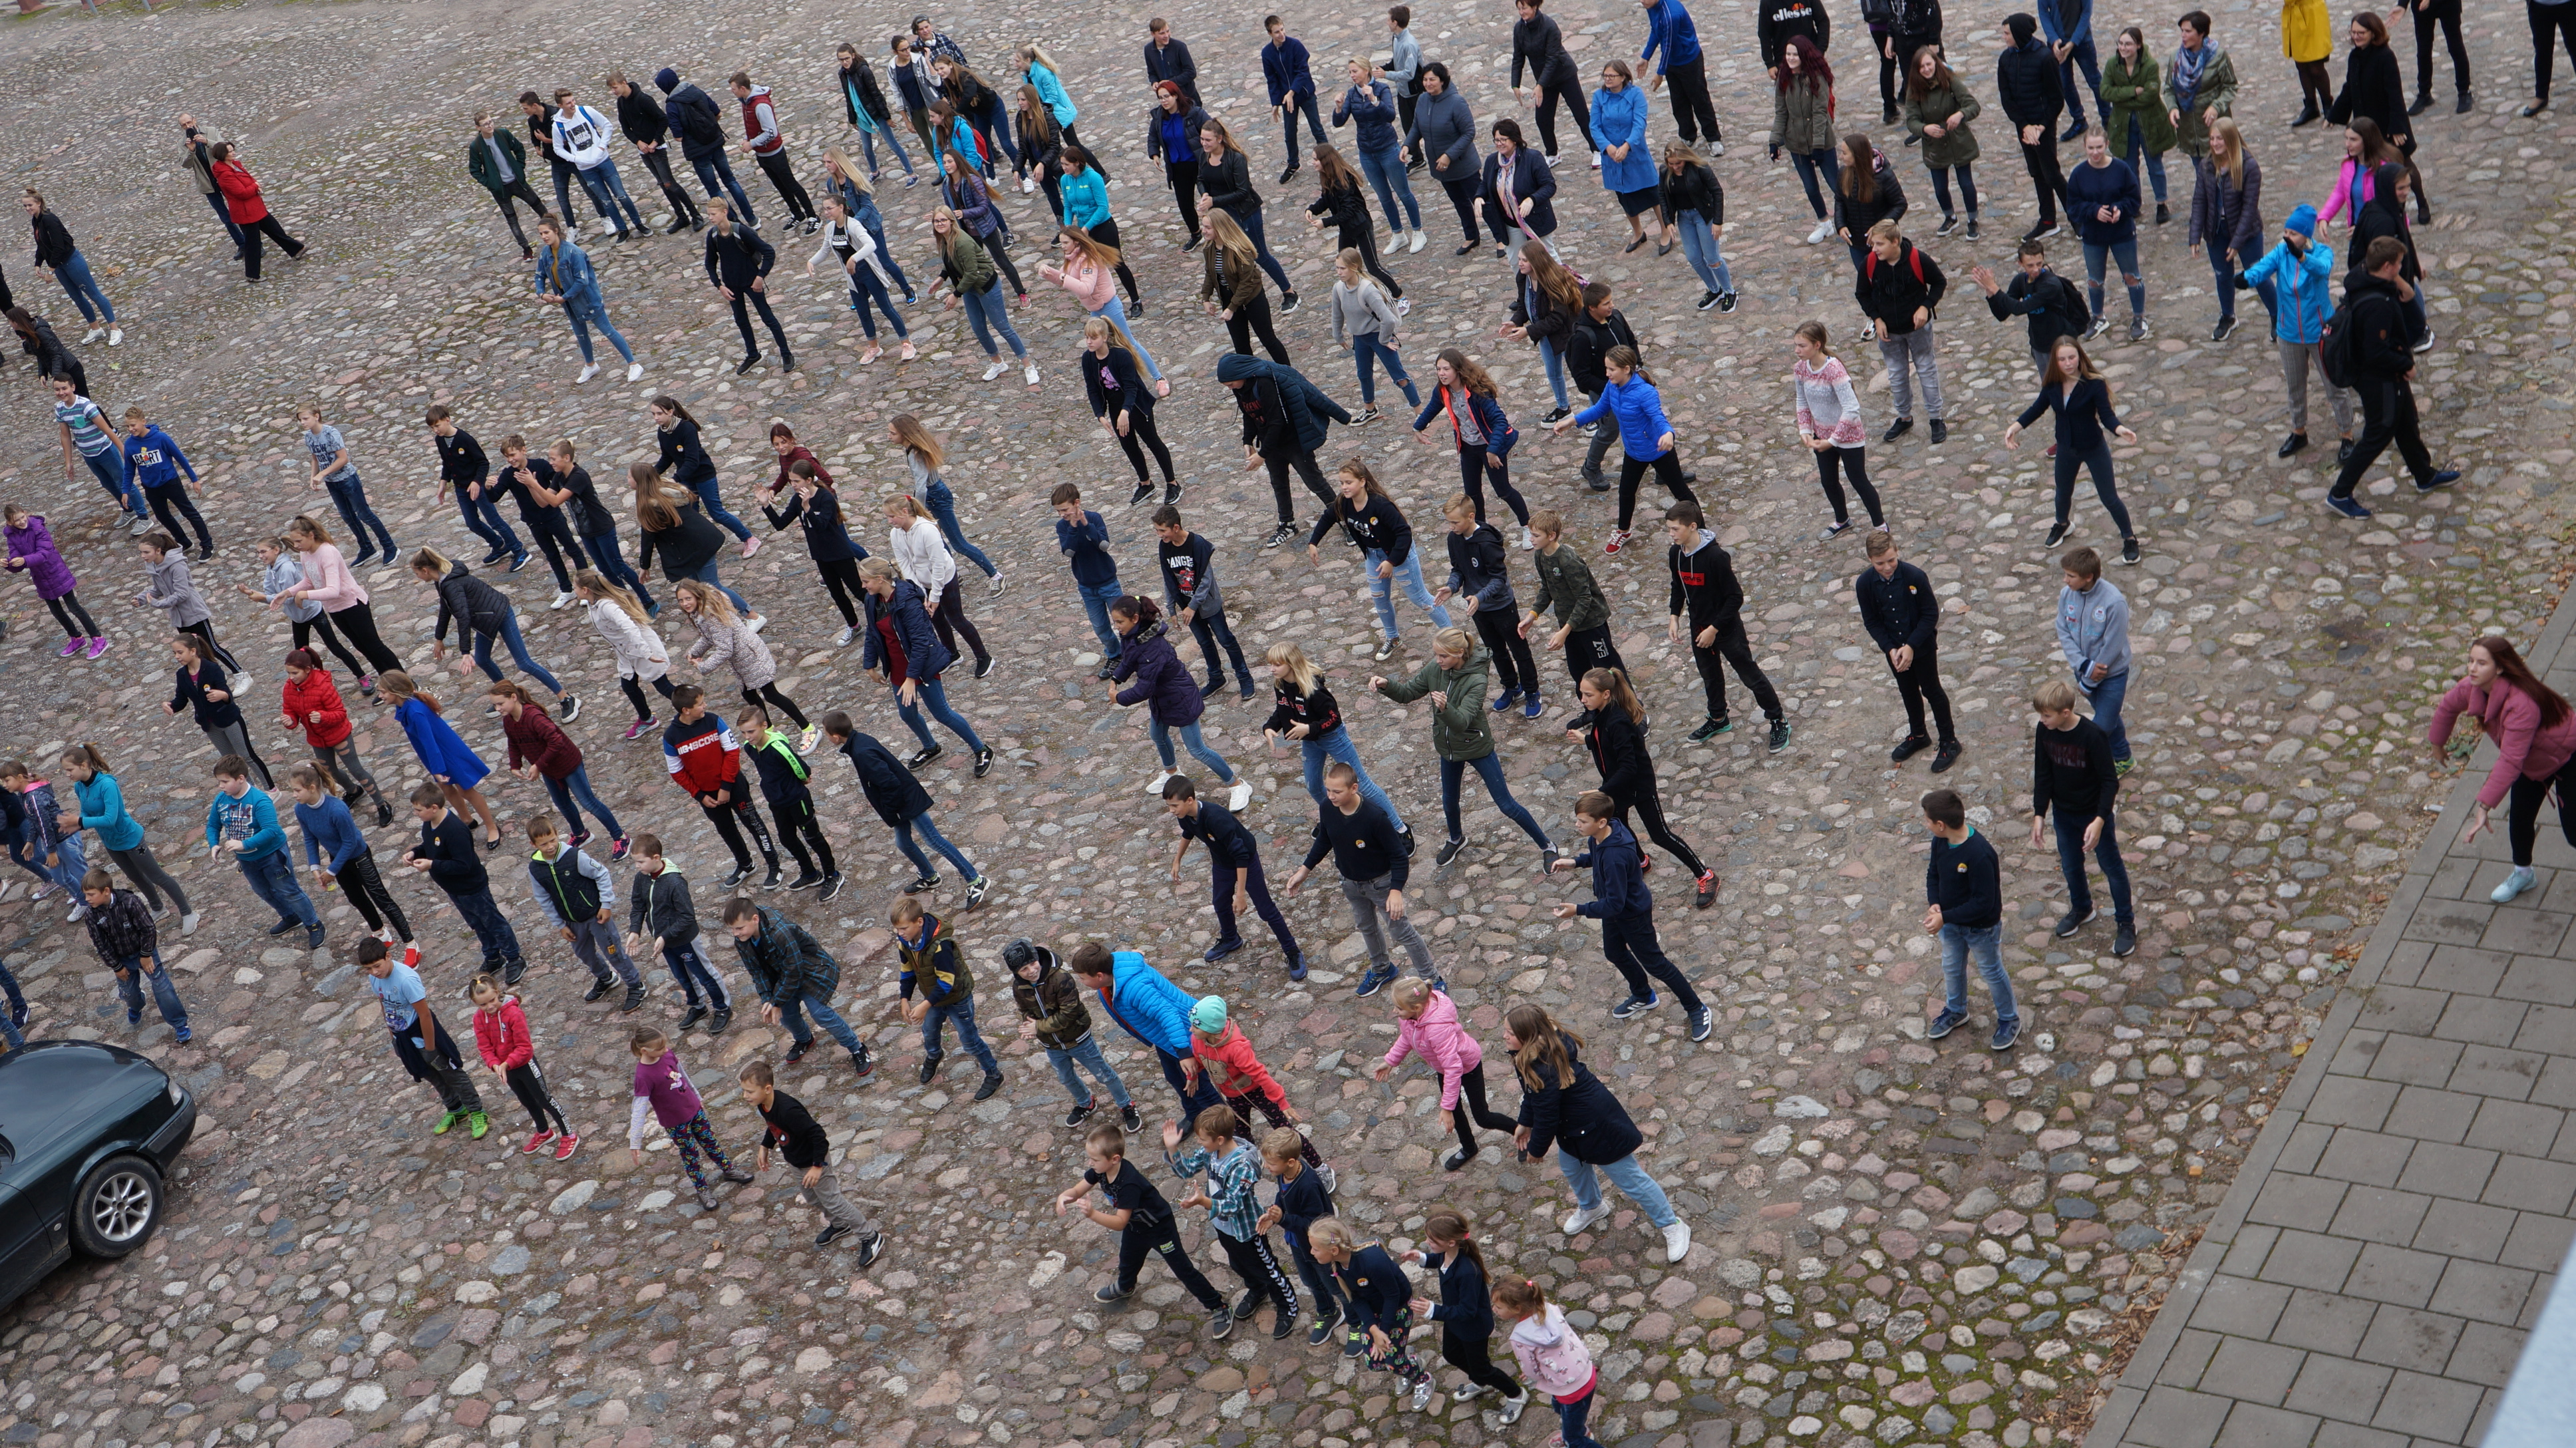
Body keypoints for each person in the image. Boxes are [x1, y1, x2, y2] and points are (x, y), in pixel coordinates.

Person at [1506, 1003, 1690, 1259]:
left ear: (1528, 1037)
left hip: (1600, 1130)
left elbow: (1547, 1116)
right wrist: (1524, 1123)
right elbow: (1533, 1096)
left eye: (1510, 1033)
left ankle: (1673, 1225)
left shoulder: (1543, 1068)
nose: (1505, 1037)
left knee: (1633, 1181)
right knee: (1573, 1168)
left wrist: (1536, 1149)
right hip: (1575, 1130)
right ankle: (1592, 1207)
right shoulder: (1530, 1056)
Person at [1375, 626, 1557, 871]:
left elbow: (1461, 721)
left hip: (1476, 746)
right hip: (1448, 748)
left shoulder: (1477, 679)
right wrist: (1386, 685)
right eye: (1436, 655)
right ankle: (1456, 839)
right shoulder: (1435, 668)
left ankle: (1547, 846)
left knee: (1506, 805)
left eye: (1444, 656)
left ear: (1460, 653)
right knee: (1449, 801)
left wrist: (1444, 708)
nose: (1438, 660)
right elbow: (1409, 693)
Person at [1547, 789, 1712, 1034]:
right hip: (1613, 911)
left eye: (1582, 821)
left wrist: (1579, 910)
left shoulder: (1616, 856)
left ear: (1600, 822)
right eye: (1578, 819)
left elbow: (1615, 902)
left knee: (1656, 964)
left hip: (1631, 914)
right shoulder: (1603, 833)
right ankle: (1643, 995)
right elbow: (1597, 856)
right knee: (1614, 952)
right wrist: (1575, 862)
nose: (1577, 825)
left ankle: (1697, 1008)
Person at [2434, 635, 2576, 902]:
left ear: (2499, 668)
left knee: (2574, 832)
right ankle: (2524, 875)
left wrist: (2484, 807)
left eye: (2481, 663)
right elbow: (2447, 707)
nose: (2472, 668)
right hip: (2533, 763)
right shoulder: (2472, 688)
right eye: (2470, 661)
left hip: (2569, 758)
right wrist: (2437, 744)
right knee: (2520, 818)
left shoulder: (2522, 704)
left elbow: (2511, 760)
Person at [1054, 1121, 1228, 1330]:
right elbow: (1079, 1189)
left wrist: (1092, 1213)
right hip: (1136, 1228)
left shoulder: (1129, 1183)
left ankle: (1218, 1306)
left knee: (1183, 1269)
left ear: (1115, 1159)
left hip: (1160, 1229)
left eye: (1094, 1159)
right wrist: (1064, 1197)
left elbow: (1119, 1223)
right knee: (1127, 1261)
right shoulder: (1100, 1170)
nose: (1090, 1163)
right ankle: (1126, 1287)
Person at [2326, 235, 2455, 510]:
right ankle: (2340, 493)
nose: (2401, 268)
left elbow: (2408, 298)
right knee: (2379, 433)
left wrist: (2397, 280)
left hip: (2385, 375)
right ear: (2386, 266)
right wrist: (2405, 365)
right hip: (2378, 378)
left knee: (2407, 421)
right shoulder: (2377, 305)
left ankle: (2424, 475)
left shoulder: (2366, 278)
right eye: (2398, 264)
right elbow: (2376, 352)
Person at [1574, 668, 1720, 907]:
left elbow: (1628, 767)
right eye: (1582, 694)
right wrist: (1587, 740)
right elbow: (1606, 742)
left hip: (1637, 786)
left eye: (1588, 695)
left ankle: (1706, 875)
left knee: (1660, 835)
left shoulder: (1618, 721)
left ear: (1606, 694)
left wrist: (1603, 791)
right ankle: (1641, 861)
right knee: (1620, 826)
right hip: (1617, 787)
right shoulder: (1601, 714)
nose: (1583, 700)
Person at [1163, 1106, 1302, 1340]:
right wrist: (1172, 1147)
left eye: (1202, 1139)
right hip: (1224, 1227)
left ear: (1219, 1139)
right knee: (1239, 1265)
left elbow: (1233, 1205)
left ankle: (1288, 1305)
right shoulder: (1211, 1151)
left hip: (1247, 1230)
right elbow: (1187, 1170)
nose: (1199, 1142)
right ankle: (1257, 1290)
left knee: (1267, 1269)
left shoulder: (1242, 1165)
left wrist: (1203, 1201)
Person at [1662, 500, 1790, 751]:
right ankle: (1718, 718)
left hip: (1726, 629)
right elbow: (1678, 587)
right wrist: (1674, 616)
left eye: (1675, 529)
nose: (1671, 534)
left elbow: (1735, 597)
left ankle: (1778, 719)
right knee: (1710, 677)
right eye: (1669, 529)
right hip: (1699, 628)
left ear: (1692, 526)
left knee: (1750, 676)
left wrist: (1714, 629)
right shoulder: (1675, 554)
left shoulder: (1716, 557)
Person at [1553, 345, 1698, 552]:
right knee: (1626, 492)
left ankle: (1699, 529)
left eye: (1611, 369)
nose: (1607, 373)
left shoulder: (1645, 393)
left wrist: (1669, 434)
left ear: (1627, 369)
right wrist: (1571, 421)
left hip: (1658, 450)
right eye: (1607, 368)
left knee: (1680, 491)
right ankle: (1624, 531)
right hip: (1634, 452)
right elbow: (1599, 409)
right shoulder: (1613, 387)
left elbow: (1659, 418)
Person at [2005, 339, 2143, 560]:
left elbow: (2106, 415)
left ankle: (2129, 538)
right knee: (2062, 492)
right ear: (2056, 362)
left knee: (2109, 498)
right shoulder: (2052, 385)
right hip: (2067, 448)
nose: (2068, 363)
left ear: (2080, 357)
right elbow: (2037, 408)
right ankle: (2062, 524)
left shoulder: (2093, 384)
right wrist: (2015, 427)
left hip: (2093, 447)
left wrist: (2120, 430)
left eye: (2072, 357)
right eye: (2062, 359)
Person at [858, 559, 995, 776]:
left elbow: (921, 643)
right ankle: (931, 747)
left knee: (943, 714)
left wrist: (912, 679)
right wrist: (870, 665)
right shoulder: (873, 600)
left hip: (922, 667)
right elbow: (872, 632)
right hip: (899, 667)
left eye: (866, 581)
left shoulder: (908, 602)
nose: (863, 586)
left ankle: (982, 749)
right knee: (908, 715)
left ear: (880, 579)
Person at [2030, 677, 2136, 953]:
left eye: (2046, 716)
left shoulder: (2093, 735)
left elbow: (2110, 781)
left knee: (2111, 868)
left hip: (2092, 815)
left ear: (2065, 713)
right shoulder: (2045, 732)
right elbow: (2043, 773)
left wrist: (2100, 821)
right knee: (2070, 864)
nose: (2042, 721)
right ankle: (2082, 908)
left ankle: (2126, 923)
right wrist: (2039, 813)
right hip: (2064, 814)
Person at [1112, 596, 1252, 805]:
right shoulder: (1134, 636)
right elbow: (1129, 660)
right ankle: (1172, 771)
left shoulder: (1152, 648)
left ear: (1134, 618)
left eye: (1119, 622)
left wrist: (1119, 698)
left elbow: (1144, 688)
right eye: (1115, 622)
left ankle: (1237, 784)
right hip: (1162, 699)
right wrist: (1116, 678)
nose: (1117, 627)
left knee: (1197, 749)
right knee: (1157, 735)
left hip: (1180, 699)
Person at [1308, 458, 1451, 661]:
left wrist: (1391, 561)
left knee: (1420, 599)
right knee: (1380, 600)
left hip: (1399, 556)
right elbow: (1328, 517)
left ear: (1363, 481)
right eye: (1341, 483)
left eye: (1348, 482)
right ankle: (1393, 638)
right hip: (1374, 557)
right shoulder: (1344, 502)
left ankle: (1453, 638)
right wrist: (1314, 543)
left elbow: (1404, 533)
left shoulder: (1380, 505)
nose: (1344, 487)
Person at [1068, 939, 1222, 1124]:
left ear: (1100, 976)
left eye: (1083, 978)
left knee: (1201, 1090)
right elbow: (1134, 957)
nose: (1081, 982)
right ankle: (1194, 1115)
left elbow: (1168, 1015)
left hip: (1186, 1036)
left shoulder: (1135, 988)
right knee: (1175, 1078)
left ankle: (1230, 1133)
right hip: (1166, 1039)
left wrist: (1184, 1053)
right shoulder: (1112, 969)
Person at [2241, 204, 2351, 460]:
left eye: (2293, 233)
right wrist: (2246, 279)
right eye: (2286, 231)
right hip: (2289, 333)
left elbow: (2321, 270)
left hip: (2320, 333)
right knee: (2295, 386)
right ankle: (2299, 431)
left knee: (2335, 387)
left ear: (2306, 235)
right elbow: (2263, 267)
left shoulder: (2324, 252)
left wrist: (2302, 257)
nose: (2287, 237)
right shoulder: (2281, 252)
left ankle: (2347, 435)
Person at [1263, 642, 1409, 834]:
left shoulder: (1314, 689)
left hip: (1332, 737)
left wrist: (1308, 727)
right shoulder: (1281, 684)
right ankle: (1338, 819)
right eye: (1271, 664)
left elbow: (1334, 718)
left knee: (1363, 784)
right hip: (1310, 740)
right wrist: (1270, 728)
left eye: (1277, 664)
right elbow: (1282, 707)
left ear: (1292, 663)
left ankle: (1400, 829)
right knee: (1314, 786)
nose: (1272, 669)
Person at [1374, 976, 1518, 1169]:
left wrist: (1447, 1107)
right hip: (1443, 1067)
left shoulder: (1437, 1029)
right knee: (1455, 1114)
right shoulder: (1411, 1019)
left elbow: (1454, 1068)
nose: (1395, 1011)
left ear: (1416, 1008)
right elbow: (1408, 1038)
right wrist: (1391, 1061)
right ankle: (1469, 1147)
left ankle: (1520, 1132)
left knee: (1482, 1117)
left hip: (1467, 1067)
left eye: (1398, 1008)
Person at [740, 1059, 880, 1256]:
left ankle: (870, 1236)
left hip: (814, 1162)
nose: (745, 1096)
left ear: (768, 1088)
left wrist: (817, 1166)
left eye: (750, 1091)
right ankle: (840, 1225)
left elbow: (818, 1136)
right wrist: (765, 1145)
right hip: (796, 1162)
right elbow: (773, 1124)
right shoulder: (763, 1104)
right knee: (813, 1199)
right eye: (744, 1091)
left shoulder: (789, 1110)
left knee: (834, 1202)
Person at [415, 547, 579, 716]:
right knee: (482, 659)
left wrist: (465, 652)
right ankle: (508, 699)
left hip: (500, 614)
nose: (418, 577)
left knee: (524, 663)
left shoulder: (450, 584)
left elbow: (463, 616)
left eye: (417, 573)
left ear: (425, 570)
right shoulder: (442, 581)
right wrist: (439, 638)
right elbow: (446, 609)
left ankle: (566, 697)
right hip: (486, 619)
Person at [1165, 777, 1303, 974]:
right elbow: (1188, 832)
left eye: (1174, 805)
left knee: (1266, 910)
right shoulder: (1184, 814)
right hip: (1222, 862)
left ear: (1189, 800)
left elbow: (1241, 855)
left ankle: (1293, 952)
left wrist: (1240, 895)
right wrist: (1177, 860)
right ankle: (1231, 939)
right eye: (1169, 806)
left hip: (1245, 860)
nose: (1172, 810)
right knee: (1220, 903)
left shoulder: (1216, 818)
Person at [1917, 787, 2020, 1047]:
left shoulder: (1980, 854)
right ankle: (1957, 1010)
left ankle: (2009, 1019)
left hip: (1980, 928)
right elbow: (1934, 874)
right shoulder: (1940, 841)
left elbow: (1984, 904)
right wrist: (1935, 904)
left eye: (1927, 820)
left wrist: (1945, 917)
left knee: (1991, 971)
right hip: (1950, 924)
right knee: (1951, 968)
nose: (1925, 824)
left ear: (1940, 824)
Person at [726, 898, 876, 1077]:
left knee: (821, 1014)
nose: (735, 934)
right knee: (787, 1018)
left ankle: (857, 1048)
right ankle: (804, 1039)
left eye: (739, 928)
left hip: (810, 973)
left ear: (755, 919)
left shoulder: (781, 933)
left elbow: (794, 972)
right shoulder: (743, 940)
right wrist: (768, 999)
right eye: (733, 929)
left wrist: (776, 1000)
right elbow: (757, 972)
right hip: (782, 979)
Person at [57, 744, 197, 933]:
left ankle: (188, 913)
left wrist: (80, 821)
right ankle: (158, 908)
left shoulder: (107, 785)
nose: (67, 774)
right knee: (135, 877)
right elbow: (86, 812)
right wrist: (76, 825)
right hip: (112, 843)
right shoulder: (79, 787)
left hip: (131, 840)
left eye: (69, 770)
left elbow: (110, 819)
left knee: (157, 876)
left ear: (83, 765)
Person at [1183, 996, 1328, 1173]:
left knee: (1286, 1131)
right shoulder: (1197, 1041)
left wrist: (1281, 1101)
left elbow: (1260, 1075)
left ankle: (1320, 1167)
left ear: (1210, 1028)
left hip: (1258, 1093)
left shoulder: (1237, 1049)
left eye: (1196, 1026)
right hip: (1233, 1097)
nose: (1191, 1029)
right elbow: (1199, 1061)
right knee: (1241, 1136)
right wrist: (1193, 1076)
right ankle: (1251, 1165)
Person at [1007, 938, 1140, 1131]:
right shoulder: (1019, 987)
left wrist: (1038, 1028)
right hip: (1052, 1045)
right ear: (1016, 973)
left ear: (1037, 958)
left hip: (1078, 1039)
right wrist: (1028, 1024)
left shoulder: (1061, 978)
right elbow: (1024, 1009)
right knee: (1066, 1077)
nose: (1031, 971)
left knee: (1103, 1074)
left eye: (1032, 964)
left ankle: (1126, 1104)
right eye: (1023, 970)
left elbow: (1069, 1013)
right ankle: (1086, 1103)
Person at [1855, 530, 1961, 771]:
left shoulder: (1915, 576)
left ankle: (1949, 740)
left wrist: (1911, 646)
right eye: (1880, 563)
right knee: (1907, 691)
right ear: (1870, 560)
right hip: (1894, 650)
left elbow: (1930, 614)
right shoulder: (1865, 584)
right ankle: (1918, 734)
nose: (1887, 567)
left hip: (1921, 647)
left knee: (1932, 690)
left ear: (1897, 553)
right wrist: (1890, 648)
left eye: (1891, 560)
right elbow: (1872, 621)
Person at [402, 777, 526, 982]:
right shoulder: (430, 823)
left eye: (418, 810)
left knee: (493, 922)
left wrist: (432, 865)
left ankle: (514, 957)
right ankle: (493, 956)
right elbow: (430, 846)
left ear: (433, 807)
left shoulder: (455, 830)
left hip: (472, 887)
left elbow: (463, 865)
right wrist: (416, 852)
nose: (416, 814)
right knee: (477, 924)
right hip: (455, 889)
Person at [1433, 493, 1543, 721]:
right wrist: (1451, 587)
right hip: (1479, 609)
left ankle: (1532, 691)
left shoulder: (1486, 542)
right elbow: (1459, 570)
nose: (1452, 527)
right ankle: (1512, 687)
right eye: (1449, 523)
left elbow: (1498, 578)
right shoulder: (1454, 538)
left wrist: (1480, 597)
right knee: (1496, 651)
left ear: (1470, 516)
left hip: (1501, 606)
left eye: (1455, 522)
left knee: (1519, 650)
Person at [660, 683, 780, 890]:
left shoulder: (714, 720)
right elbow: (677, 772)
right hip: (708, 797)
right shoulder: (671, 737)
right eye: (700, 704)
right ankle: (745, 864)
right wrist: (699, 795)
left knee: (753, 823)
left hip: (734, 787)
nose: (705, 705)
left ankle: (774, 865)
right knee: (726, 830)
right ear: (686, 710)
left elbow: (732, 752)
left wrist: (726, 787)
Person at [364, 938, 484, 1135]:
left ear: (388, 956)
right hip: (402, 1039)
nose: (374, 972)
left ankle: (477, 1111)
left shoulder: (406, 979)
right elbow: (384, 1005)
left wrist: (430, 1048)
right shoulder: (374, 978)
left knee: (451, 1073)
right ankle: (456, 1109)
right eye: (368, 969)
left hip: (422, 1035)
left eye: (377, 966)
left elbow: (425, 1014)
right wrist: (393, 1037)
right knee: (430, 1075)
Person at [627, 1023, 754, 1211]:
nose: (665, 1050)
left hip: (694, 1111)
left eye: (665, 1046)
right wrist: (635, 1142)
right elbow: (639, 1108)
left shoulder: (667, 1055)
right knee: (690, 1155)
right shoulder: (643, 1076)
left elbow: (683, 1076)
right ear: (644, 1050)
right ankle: (702, 1189)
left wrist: (697, 1096)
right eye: (660, 1048)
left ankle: (729, 1169)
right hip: (676, 1123)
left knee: (710, 1142)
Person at [527, 814, 645, 1011]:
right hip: (571, 922)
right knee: (585, 954)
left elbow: (601, 873)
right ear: (533, 845)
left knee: (613, 952)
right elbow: (543, 899)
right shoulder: (535, 869)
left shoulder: (575, 856)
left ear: (558, 835)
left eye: (553, 840)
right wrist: (560, 925)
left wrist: (606, 904)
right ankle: (606, 978)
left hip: (596, 916)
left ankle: (636, 985)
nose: (549, 847)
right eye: (543, 844)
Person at [204, 755, 323, 948]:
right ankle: (290, 917)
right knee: (263, 891)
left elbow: (272, 830)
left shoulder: (260, 801)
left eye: (225, 781)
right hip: (248, 860)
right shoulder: (221, 800)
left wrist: (244, 844)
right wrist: (213, 844)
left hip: (272, 856)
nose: (221, 786)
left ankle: (314, 924)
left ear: (241, 779)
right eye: (219, 782)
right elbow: (213, 824)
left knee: (289, 891)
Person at [625, 830, 732, 1033]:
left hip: (684, 940)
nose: (637, 867)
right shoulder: (642, 878)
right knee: (682, 977)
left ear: (656, 858)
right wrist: (635, 930)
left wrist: (664, 936)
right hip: (665, 942)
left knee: (705, 975)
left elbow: (687, 917)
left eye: (640, 862)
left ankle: (723, 1008)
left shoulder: (675, 882)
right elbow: (638, 905)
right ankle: (697, 1006)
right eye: (635, 863)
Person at [892, 897, 1001, 1097]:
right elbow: (907, 971)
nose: (900, 933)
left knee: (970, 1040)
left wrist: (925, 1005)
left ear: (919, 922)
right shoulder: (905, 943)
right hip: (933, 998)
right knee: (929, 1032)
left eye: (903, 928)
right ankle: (934, 1056)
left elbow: (946, 982)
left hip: (956, 998)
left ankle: (993, 1074)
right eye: (897, 929)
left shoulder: (941, 946)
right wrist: (904, 999)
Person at [289, 763, 406, 946]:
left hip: (359, 858)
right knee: (356, 898)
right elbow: (310, 838)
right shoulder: (301, 809)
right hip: (339, 858)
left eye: (297, 790)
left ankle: (410, 943)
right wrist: (315, 867)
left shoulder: (337, 809)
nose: (294, 795)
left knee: (381, 899)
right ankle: (380, 933)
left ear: (312, 788)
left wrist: (332, 871)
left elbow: (350, 842)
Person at [1253, 1127, 1349, 1348]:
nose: (1267, 1167)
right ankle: (1328, 1312)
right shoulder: (1285, 1174)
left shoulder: (1308, 1185)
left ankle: (1355, 1321)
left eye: (1272, 1164)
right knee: (1311, 1281)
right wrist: (1275, 1211)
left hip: (1320, 1246)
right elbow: (1284, 1196)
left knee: (1336, 1286)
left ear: (1291, 1161)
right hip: (1300, 1244)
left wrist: (1283, 1219)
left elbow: (1315, 1224)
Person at [1415, 351, 1529, 535]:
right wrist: (1417, 428)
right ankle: (1481, 531)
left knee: (1503, 490)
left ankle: (1527, 526)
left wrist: (1493, 451)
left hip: (1489, 446)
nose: (1442, 373)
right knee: (1472, 494)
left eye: (1446, 369)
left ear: (1458, 370)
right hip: (1468, 447)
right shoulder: (1443, 391)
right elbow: (1432, 409)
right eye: (1438, 369)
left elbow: (1500, 421)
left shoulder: (1477, 392)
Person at [1858, 220, 1951, 442]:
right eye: (1873, 244)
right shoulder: (1870, 263)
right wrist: (1876, 319)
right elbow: (1862, 293)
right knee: (1897, 376)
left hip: (1917, 329)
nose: (1875, 249)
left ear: (1895, 242)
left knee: (1926, 370)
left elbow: (1939, 282)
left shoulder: (1918, 259)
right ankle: (1904, 418)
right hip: (1889, 333)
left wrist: (1925, 306)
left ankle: (1936, 419)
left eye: (1880, 244)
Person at [283, 514, 406, 679]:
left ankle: (406, 683)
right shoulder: (305, 553)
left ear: (311, 536)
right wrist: (288, 593)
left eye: (299, 541)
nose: (296, 546)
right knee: (361, 646)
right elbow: (309, 580)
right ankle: (388, 683)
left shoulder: (327, 552)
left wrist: (305, 595)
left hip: (353, 604)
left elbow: (334, 589)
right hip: (335, 608)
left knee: (375, 646)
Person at [1522, 510, 1623, 710]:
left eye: (1536, 536)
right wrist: (1533, 615)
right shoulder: (1540, 556)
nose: (1531, 540)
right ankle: (1592, 711)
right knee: (1579, 672)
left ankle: (1632, 712)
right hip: (1569, 626)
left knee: (1609, 671)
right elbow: (1547, 588)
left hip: (1591, 624)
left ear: (1551, 536)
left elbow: (1585, 599)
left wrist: (1564, 632)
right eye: (1531, 535)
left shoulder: (1568, 560)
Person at [471, 974, 579, 1160]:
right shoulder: (479, 1019)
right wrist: (495, 1064)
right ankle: (544, 1132)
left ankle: (569, 1135)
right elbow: (485, 1047)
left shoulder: (514, 1013)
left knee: (545, 1099)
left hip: (524, 1065)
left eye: (492, 1000)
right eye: (483, 1005)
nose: (489, 1007)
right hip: (507, 1069)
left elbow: (525, 1048)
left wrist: (505, 1063)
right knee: (527, 1101)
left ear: (497, 993)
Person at [1790, 320, 1882, 538]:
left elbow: (1852, 409)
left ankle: (1880, 526)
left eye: (1802, 346)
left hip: (1847, 436)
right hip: (1821, 435)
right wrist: (1805, 429)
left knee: (1858, 479)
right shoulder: (1800, 369)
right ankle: (1842, 520)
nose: (1797, 350)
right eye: (1795, 345)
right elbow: (1801, 400)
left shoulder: (1833, 369)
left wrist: (1833, 441)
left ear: (1817, 345)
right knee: (1828, 480)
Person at [1152, 506, 1253, 699]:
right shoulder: (1164, 546)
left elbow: (1206, 580)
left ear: (1175, 527)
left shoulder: (1198, 544)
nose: (1159, 535)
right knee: (1204, 643)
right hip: (1188, 607)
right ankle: (1216, 678)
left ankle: (1245, 677)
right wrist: (1171, 609)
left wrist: (1192, 606)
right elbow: (1169, 579)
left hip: (1207, 605)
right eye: (1157, 530)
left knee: (1226, 640)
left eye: (1162, 530)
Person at [930, 205, 1037, 387]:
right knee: (979, 329)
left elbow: (971, 272)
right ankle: (998, 363)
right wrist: (942, 277)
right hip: (970, 288)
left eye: (943, 220)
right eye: (936, 221)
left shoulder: (962, 241)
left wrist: (955, 294)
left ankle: (1028, 365)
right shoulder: (943, 239)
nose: (940, 224)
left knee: (1003, 327)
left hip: (986, 286)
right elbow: (952, 262)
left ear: (951, 221)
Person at [1495, 1275, 1604, 1447]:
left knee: (1573, 1439)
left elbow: (1531, 1371)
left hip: (1570, 1390)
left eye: (1498, 1307)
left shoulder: (1520, 1338)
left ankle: (1575, 1436)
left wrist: (1534, 1375)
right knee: (1565, 1410)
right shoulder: (1549, 1309)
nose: (1494, 1309)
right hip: (1586, 1372)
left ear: (1516, 1308)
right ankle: (1580, 1430)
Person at [532, 216, 642, 385]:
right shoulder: (546, 254)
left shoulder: (573, 252)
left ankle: (633, 363)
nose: (543, 236)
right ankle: (590, 364)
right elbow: (540, 275)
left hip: (587, 299)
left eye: (546, 232)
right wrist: (541, 293)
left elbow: (582, 281)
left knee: (608, 330)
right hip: (569, 302)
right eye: (541, 234)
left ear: (556, 231)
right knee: (581, 334)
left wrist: (564, 297)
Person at [737, 707, 836, 894]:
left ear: (764, 726)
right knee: (787, 839)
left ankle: (832, 874)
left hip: (797, 800)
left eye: (751, 731)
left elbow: (801, 767)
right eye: (743, 732)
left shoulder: (778, 747)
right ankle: (810, 873)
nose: (747, 736)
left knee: (813, 838)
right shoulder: (750, 748)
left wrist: (802, 779)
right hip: (777, 802)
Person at [2187, 118, 2267, 343]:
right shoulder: (2207, 165)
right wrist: (2195, 236)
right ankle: (2228, 316)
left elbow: (2249, 209)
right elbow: (2199, 201)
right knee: (2222, 275)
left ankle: (2277, 316)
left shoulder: (2249, 167)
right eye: (2212, 138)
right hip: (2217, 230)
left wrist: (2237, 243)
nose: (2214, 143)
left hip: (2247, 232)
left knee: (2257, 274)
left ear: (2230, 139)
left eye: (2219, 138)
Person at [1333, 55, 1424, 252]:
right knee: (1384, 197)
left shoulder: (1381, 89)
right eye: (1350, 72)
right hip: (1367, 153)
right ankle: (1398, 234)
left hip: (1388, 148)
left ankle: (1418, 231)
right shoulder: (1352, 93)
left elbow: (1390, 116)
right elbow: (1339, 122)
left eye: (1355, 71)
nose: (1352, 76)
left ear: (1366, 71)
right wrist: (1339, 107)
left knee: (1403, 193)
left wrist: (1374, 100)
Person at [426, 404, 528, 570]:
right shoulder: (440, 440)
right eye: (432, 428)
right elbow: (447, 463)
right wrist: (443, 483)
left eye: (437, 426)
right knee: (472, 523)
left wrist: (477, 482)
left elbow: (483, 463)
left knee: (494, 521)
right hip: (461, 488)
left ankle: (519, 549)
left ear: (447, 420)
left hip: (477, 487)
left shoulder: (465, 439)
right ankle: (499, 546)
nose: (435, 430)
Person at [700, 198, 796, 375]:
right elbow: (710, 263)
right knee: (741, 320)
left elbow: (768, 252)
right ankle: (752, 354)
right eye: (709, 215)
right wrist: (719, 285)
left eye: (713, 214)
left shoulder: (741, 231)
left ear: (724, 212)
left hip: (752, 283)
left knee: (768, 318)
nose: (711, 218)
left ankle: (786, 353)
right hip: (731, 285)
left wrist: (760, 277)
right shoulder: (712, 235)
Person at [297, 403, 399, 568]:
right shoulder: (309, 437)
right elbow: (315, 458)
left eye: (305, 418)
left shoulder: (331, 433)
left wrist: (323, 474)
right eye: (301, 420)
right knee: (348, 517)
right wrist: (313, 477)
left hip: (347, 479)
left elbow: (343, 458)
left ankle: (390, 547)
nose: (303, 422)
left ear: (317, 416)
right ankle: (367, 548)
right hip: (332, 482)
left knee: (364, 514)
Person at [1997, 15, 2069, 241]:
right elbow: (2007, 98)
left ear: (2018, 33)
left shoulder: (2045, 58)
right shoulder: (2005, 59)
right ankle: (2048, 220)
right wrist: (2024, 126)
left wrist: (2041, 126)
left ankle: (2078, 218)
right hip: (2025, 127)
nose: (2004, 37)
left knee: (2052, 174)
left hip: (2043, 127)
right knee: (2036, 172)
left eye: (2007, 33)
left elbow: (2057, 99)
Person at [1971, 240, 2091, 376]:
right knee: (2049, 388)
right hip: (2039, 344)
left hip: (2061, 344)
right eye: (2030, 265)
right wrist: (1990, 292)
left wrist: (1994, 287)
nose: (2036, 269)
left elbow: (2019, 308)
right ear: (2020, 264)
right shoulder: (2020, 281)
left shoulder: (2051, 285)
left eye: (2039, 264)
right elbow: (2002, 314)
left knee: (2070, 385)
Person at [3, 504, 106, 660]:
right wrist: (10, 564)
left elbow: (44, 553)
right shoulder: (12, 536)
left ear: (25, 514)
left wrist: (24, 560)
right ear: (10, 523)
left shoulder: (38, 528)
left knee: (74, 608)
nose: (21, 522)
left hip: (56, 572)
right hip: (41, 578)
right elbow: (17, 559)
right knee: (57, 612)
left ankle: (98, 639)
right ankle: (77, 638)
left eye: (22, 517)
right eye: (16, 520)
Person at [610, 70, 706, 231]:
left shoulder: (644, 99)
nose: (614, 91)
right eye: (612, 89)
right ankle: (682, 217)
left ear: (624, 83)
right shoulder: (621, 103)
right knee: (663, 185)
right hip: (644, 150)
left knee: (670, 184)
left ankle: (695, 214)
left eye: (615, 87)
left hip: (657, 149)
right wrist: (638, 142)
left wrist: (654, 142)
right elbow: (626, 128)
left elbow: (663, 120)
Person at [167, 634, 266, 788]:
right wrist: (171, 706)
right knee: (230, 761)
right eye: (175, 653)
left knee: (247, 756)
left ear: (193, 651)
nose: (177, 657)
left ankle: (270, 788)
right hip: (210, 725)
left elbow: (227, 694)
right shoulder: (182, 675)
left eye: (180, 652)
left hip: (229, 719)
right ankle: (249, 790)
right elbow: (181, 699)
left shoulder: (212, 668)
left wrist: (222, 695)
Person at [114, 407, 212, 560]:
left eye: (133, 425)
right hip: (151, 487)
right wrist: (125, 491)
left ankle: (207, 545)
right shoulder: (131, 445)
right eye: (127, 427)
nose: (131, 429)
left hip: (170, 483)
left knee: (189, 512)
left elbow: (180, 459)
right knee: (162, 517)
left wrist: (194, 480)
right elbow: (129, 470)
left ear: (143, 422)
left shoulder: (161, 438)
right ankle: (184, 542)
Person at [52, 377, 147, 533]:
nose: (61, 393)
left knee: (124, 482)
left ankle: (143, 517)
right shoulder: (60, 409)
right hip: (88, 454)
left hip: (105, 451)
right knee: (108, 484)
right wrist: (68, 462)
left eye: (64, 388)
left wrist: (123, 450)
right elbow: (65, 435)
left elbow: (107, 429)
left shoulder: (86, 406)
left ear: (73, 387)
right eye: (57, 389)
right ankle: (129, 510)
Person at [24, 190, 118, 347]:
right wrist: (38, 263)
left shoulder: (49, 220)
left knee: (94, 294)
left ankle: (115, 329)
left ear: (39, 203)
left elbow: (59, 247)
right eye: (25, 206)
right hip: (60, 266)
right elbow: (42, 244)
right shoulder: (36, 220)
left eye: (30, 205)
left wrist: (50, 271)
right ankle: (96, 329)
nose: (27, 208)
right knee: (77, 298)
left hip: (71, 262)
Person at [552, 89, 648, 241]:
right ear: (560, 105)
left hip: (603, 161)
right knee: (605, 200)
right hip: (586, 168)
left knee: (621, 194)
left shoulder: (586, 111)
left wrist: (602, 147)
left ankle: (638, 223)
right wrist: (576, 159)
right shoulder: (558, 126)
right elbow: (558, 148)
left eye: (573, 101)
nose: (573, 105)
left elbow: (607, 125)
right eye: (568, 103)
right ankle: (622, 229)